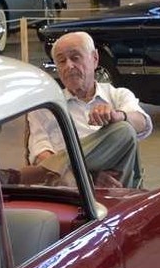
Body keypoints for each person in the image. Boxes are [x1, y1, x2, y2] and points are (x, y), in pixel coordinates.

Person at [25, 31, 149, 188]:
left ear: (95, 59)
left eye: (75, 58)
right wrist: (90, 178)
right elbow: (40, 154)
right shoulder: (46, 106)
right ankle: (78, 178)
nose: (69, 66)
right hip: (72, 188)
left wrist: (117, 115)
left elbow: (142, 123)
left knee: (124, 130)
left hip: (118, 184)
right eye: (61, 61)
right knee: (66, 178)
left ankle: (23, 175)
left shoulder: (118, 95)